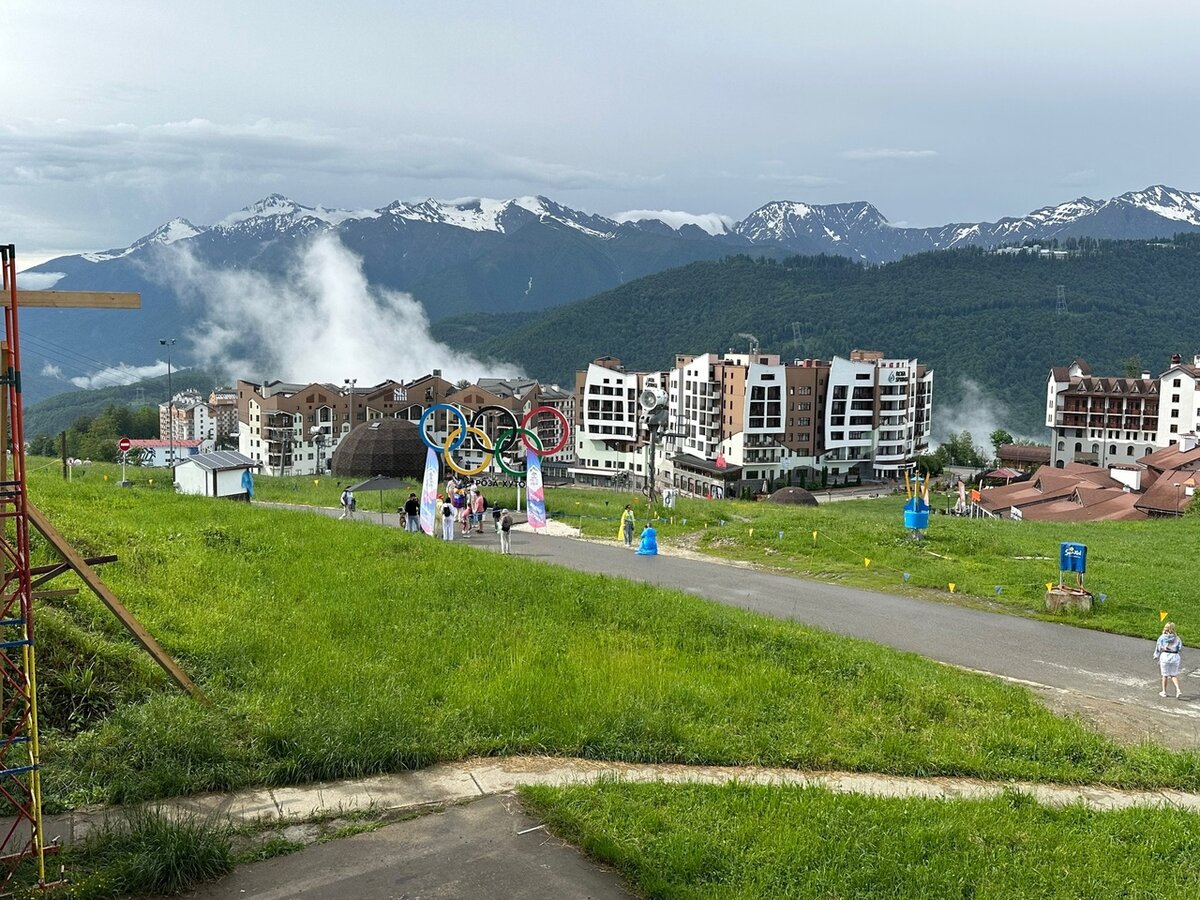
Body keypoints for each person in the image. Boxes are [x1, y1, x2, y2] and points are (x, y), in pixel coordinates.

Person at [1154, 622, 1184, 698]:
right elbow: (1180, 648)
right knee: (1173, 675)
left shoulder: (1162, 637)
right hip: (1175, 656)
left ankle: (1164, 691)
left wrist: (1156, 655)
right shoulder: (1177, 638)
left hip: (1165, 656)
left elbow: (1158, 647)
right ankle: (1178, 689)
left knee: (1164, 675)